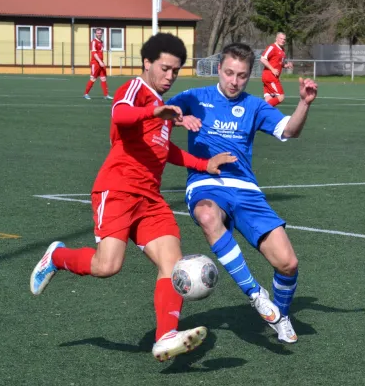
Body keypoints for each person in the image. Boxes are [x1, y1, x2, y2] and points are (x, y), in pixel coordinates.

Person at [30, 33, 237, 362]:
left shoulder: (161, 106)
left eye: (175, 71)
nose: (170, 76)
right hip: (117, 190)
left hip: (150, 199)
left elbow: (163, 149)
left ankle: (165, 336)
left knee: (172, 262)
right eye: (165, 68)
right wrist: (155, 111)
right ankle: (57, 257)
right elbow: (120, 114)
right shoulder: (135, 89)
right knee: (107, 266)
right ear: (147, 63)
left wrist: (203, 164)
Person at [167, 43, 318, 344]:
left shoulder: (254, 106)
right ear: (218, 69)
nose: (234, 81)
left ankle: (281, 316)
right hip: (206, 181)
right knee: (207, 215)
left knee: (288, 263)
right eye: (228, 73)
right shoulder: (195, 97)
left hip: (246, 189)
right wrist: (178, 117)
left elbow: (289, 130)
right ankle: (254, 293)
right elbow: (159, 114)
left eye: (241, 76)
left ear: (249, 76)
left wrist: (304, 103)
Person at [260, 32, 294, 107]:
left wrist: (286, 65)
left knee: (269, 99)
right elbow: (262, 59)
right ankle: (260, 109)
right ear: (276, 38)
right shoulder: (272, 47)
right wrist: (272, 69)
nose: (283, 40)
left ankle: (261, 112)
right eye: (281, 38)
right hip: (270, 77)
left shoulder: (282, 50)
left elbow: (279, 63)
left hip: (273, 77)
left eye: (284, 39)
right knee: (281, 97)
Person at [84, 28, 113, 100]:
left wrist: (101, 62)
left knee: (103, 78)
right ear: (95, 34)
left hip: (101, 62)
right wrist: (100, 61)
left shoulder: (102, 42)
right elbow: (94, 53)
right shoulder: (94, 42)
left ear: (102, 33)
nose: (99, 34)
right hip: (95, 63)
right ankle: (86, 94)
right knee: (93, 78)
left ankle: (106, 95)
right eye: (98, 33)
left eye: (100, 33)